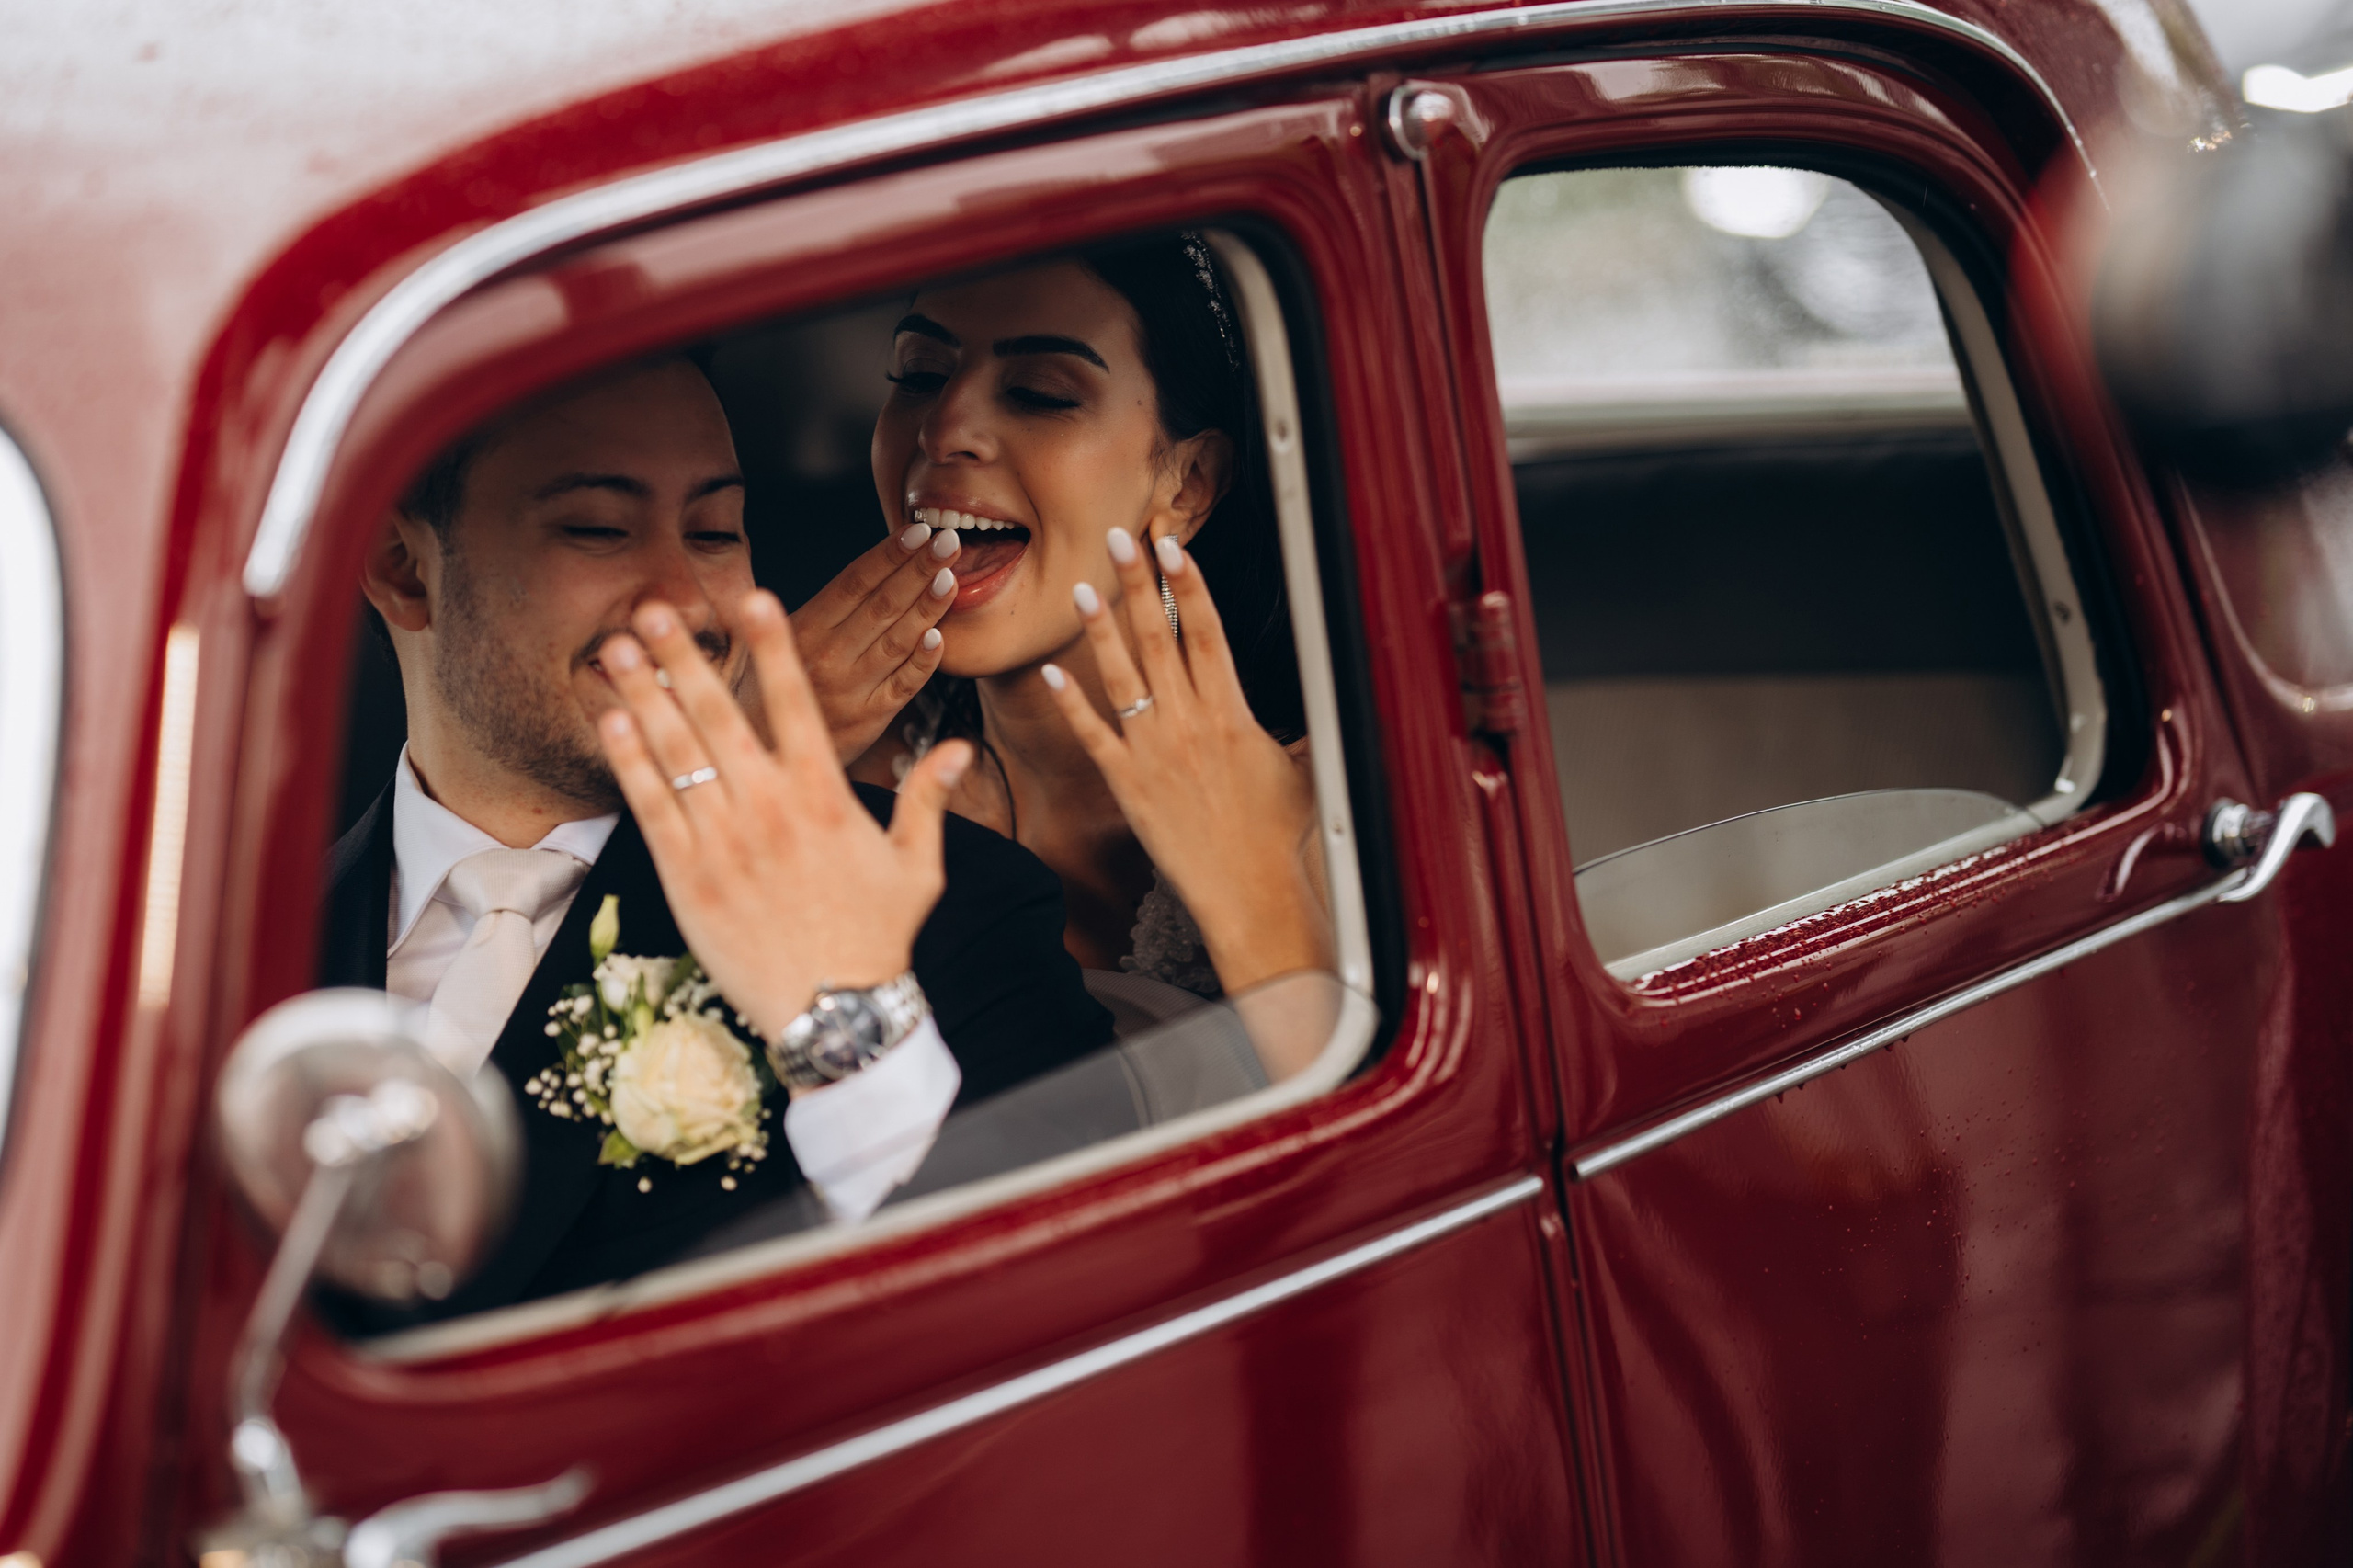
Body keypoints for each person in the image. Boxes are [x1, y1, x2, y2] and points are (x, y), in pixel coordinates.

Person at [323, 355, 1113, 1320]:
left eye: (713, 533)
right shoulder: (205, 964)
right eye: (598, 529)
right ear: (407, 572)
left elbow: (1060, 1318)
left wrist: (850, 1035)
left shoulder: (952, 908)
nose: (684, 603)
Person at [790, 234, 1337, 1077]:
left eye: (1039, 393)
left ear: (1186, 484)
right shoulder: (830, 777)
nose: (943, 429)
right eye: (920, 375)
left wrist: (1259, 904)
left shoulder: (1333, 810)